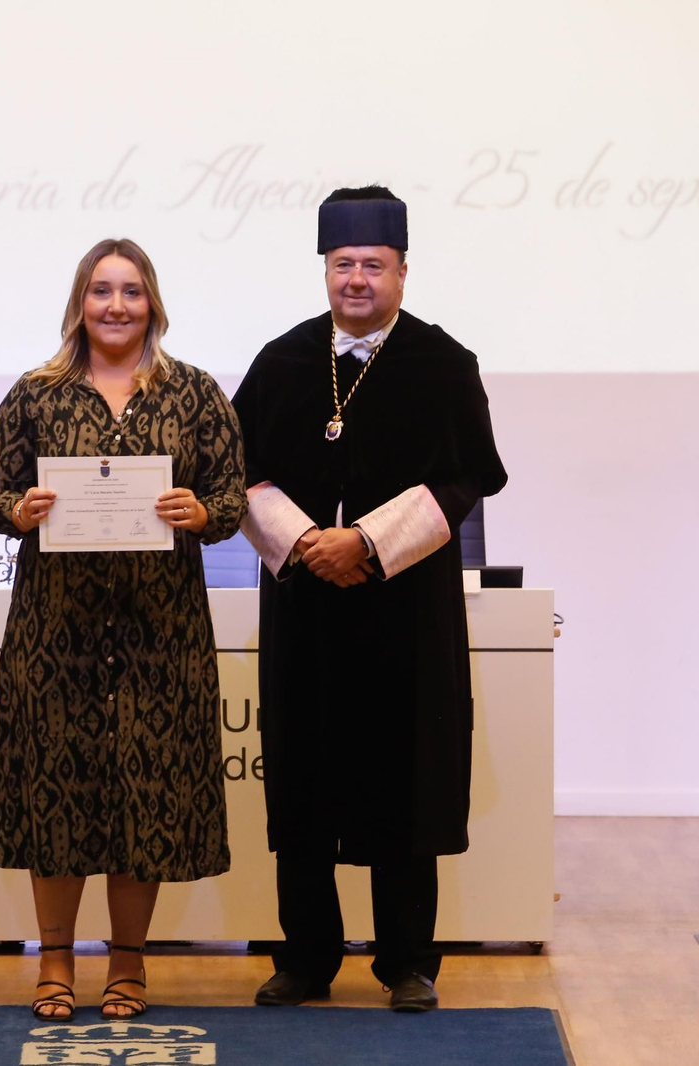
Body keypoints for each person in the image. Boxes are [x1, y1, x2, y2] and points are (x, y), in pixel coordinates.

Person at [233, 186, 508, 1011]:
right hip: (306, 609)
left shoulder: (442, 363)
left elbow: (469, 475)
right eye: (343, 264)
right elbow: (236, 472)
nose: (357, 280)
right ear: (325, 269)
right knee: (304, 772)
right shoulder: (282, 361)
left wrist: (370, 546)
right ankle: (305, 957)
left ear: (403, 271)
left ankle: (408, 962)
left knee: (406, 775)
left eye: (374, 266)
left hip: (406, 615)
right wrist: (308, 543)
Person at [0, 239, 246, 1021]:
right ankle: (55, 963)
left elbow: (230, 500)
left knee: (147, 799)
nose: (117, 306)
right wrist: (19, 511)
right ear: (80, 303)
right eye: (101, 291)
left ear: (153, 303)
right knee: (58, 797)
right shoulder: (34, 395)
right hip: (53, 637)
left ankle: (129, 966)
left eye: (132, 291)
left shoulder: (195, 395)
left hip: (159, 639)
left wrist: (202, 512)